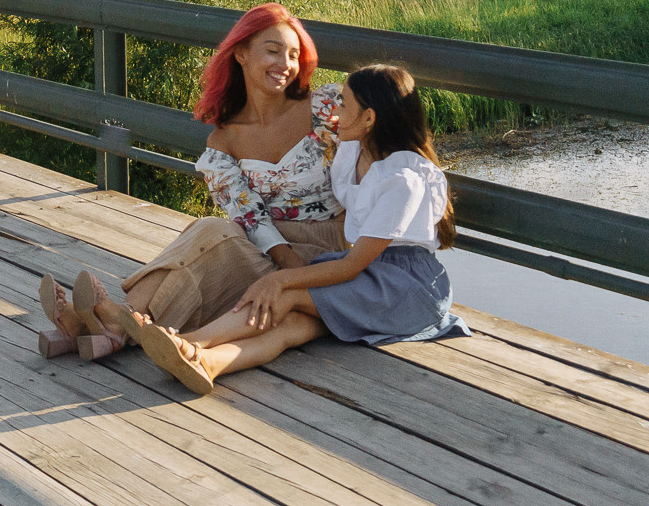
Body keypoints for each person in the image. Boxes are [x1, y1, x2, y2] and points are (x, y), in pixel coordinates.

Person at [132, 62, 471, 395]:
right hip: (371, 272)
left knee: (284, 296)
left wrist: (278, 278)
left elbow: (353, 264)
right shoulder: (354, 150)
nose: (334, 110)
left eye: (343, 104)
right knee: (293, 324)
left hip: (404, 287)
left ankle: (188, 343)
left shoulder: (403, 181)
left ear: (369, 118)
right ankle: (208, 362)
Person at [35, 2, 345, 359]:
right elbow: (252, 220)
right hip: (271, 250)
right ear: (241, 54)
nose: (285, 64)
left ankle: (100, 325)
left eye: (293, 55)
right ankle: (111, 326)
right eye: (273, 51)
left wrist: (296, 272)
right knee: (211, 231)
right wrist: (284, 260)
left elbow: (377, 156)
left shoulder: (325, 108)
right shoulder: (224, 141)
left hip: (326, 252)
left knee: (211, 237)